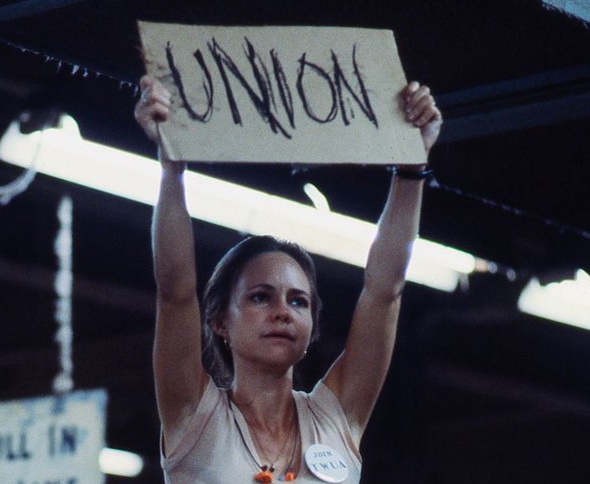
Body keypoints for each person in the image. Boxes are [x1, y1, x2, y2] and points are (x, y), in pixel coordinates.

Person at [135, 73, 443, 482]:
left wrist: (411, 165)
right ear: (219, 320)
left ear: (312, 325)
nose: (283, 311)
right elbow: (175, 292)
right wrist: (171, 166)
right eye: (261, 297)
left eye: (298, 301)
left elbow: (384, 292)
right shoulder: (194, 414)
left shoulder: (337, 416)